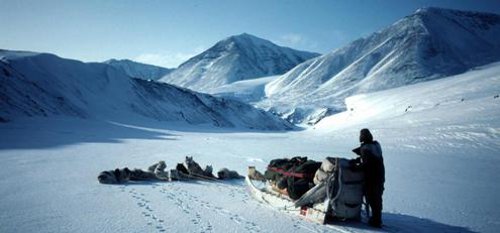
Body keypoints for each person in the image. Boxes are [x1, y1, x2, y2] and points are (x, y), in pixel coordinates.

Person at [353, 128, 385, 228]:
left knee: (372, 198)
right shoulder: (376, 145)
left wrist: (356, 166)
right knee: (377, 198)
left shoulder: (366, 148)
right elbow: (373, 157)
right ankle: (377, 218)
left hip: (372, 177)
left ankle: (375, 221)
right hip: (380, 175)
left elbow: (367, 164)